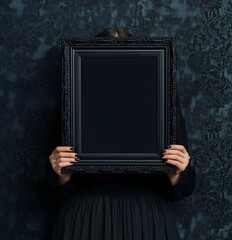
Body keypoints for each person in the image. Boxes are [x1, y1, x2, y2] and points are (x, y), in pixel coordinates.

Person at [48, 27, 195, 240]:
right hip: (87, 218)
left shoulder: (162, 101)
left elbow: (180, 190)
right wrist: (60, 174)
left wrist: (178, 172)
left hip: (146, 219)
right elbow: (54, 191)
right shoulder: (73, 101)